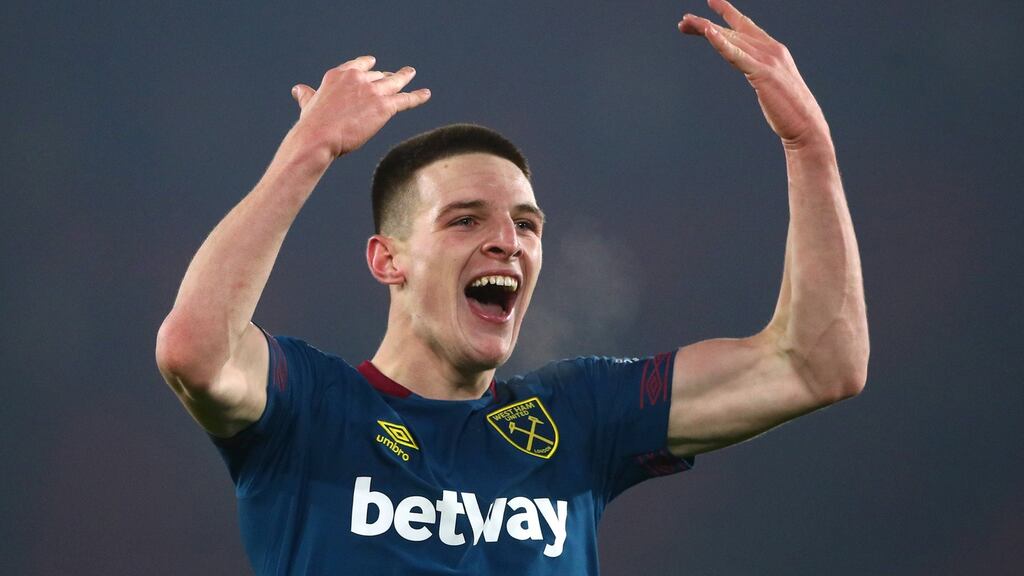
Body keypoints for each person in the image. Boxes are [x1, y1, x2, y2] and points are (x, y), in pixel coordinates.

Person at [155, 0, 869, 573]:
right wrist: (308, 151)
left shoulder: (580, 417)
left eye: (526, 224)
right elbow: (194, 348)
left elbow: (817, 364)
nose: (508, 241)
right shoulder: (312, 409)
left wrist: (809, 146)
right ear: (387, 260)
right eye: (465, 220)